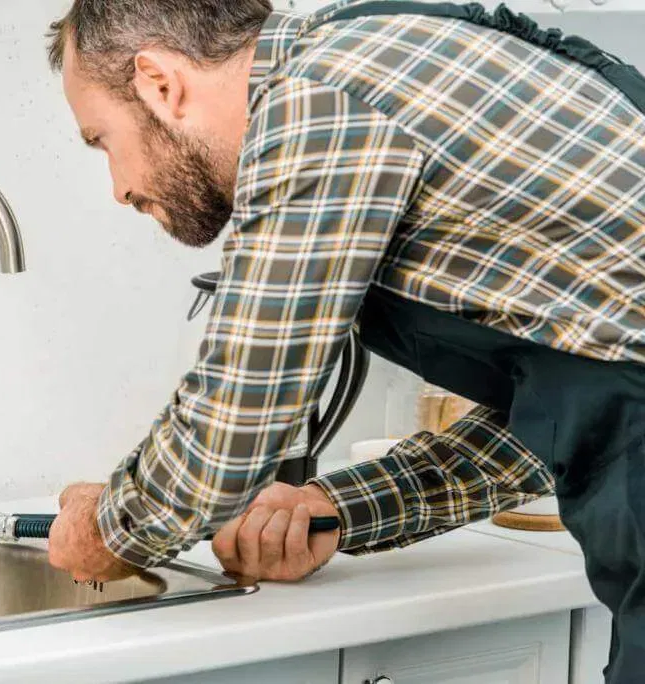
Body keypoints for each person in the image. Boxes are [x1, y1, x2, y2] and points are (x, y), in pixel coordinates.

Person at [42, 1, 645, 680]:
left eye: (101, 140)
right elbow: (558, 419)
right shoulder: (372, 61)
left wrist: (107, 528)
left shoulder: (319, 101)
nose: (119, 189)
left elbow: (234, 420)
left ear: (158, 82)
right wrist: (336, 509)